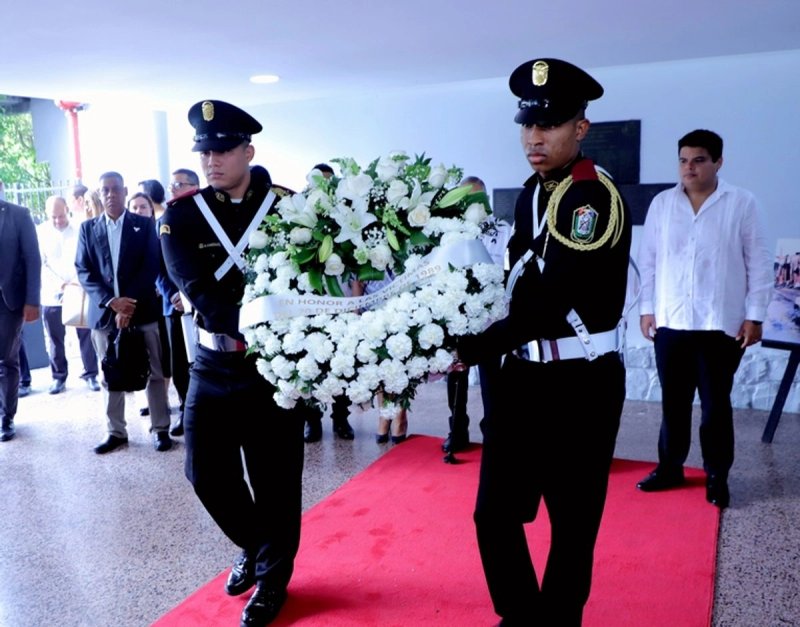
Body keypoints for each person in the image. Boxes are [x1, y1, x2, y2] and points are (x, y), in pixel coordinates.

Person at [456, 58, 631, 625]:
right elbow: (516, 289)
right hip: (523, 378)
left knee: (572, 527)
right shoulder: (533, 192)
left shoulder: (590, 198)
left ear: (580, 127)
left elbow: (549, 301)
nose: (535, 136)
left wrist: (467, 348)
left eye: (550, 124)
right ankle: (522, 617)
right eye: (528, 124)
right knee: (494, 514)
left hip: (581, 382)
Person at [160, 100, 307, 627]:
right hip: (213, 364)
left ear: (248, 150)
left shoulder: (292, 209)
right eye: (204, 150)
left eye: (222, 149)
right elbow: (196, 290)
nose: (211, 160)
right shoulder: (180, 216)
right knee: (204, 471)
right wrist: (257, 320)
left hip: (275, 369)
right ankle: (256, 545)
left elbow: (311, 284)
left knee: (276, 479)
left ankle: (272, 580)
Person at [635, 129, 773, 509]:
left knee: (715, 405)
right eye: (683, 160)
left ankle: (717, 475)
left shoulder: (742, 203)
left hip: (720, 325)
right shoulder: (662, 204)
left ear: (718, 162)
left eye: (698, 160)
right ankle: (669, 468)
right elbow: (649, 261)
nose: (689, 168)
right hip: (671, 322)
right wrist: (647, 308)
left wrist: (755, 316)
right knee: (673, 404)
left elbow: (759, 263)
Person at [75, 171, 173, 454]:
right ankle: (116, 431)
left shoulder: (143, 225)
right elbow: (84, 270)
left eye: (115, 189)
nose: (110, 195)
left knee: (154, 370)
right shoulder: (88, 228)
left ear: (124, 190)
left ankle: (161, 428)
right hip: (104, 316)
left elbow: (151, 266)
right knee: (110, 373)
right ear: (99, 193)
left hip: (142, 312)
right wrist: (111, 302)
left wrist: (128, 305)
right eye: (104, 190)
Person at [442, 175, 512, 456]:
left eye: (478, 197)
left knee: (492, 382)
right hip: (458, 318)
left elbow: (509, 269)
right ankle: (457, 431)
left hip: (491, 320)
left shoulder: (502, 229)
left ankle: (493, 433)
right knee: (456, 377)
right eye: (466, 197)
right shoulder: (450, 231)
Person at [301, 162, 356, 443]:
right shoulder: (299, 214)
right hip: (310, 300)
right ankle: (312, 421)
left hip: (341, 298)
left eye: (328, 182)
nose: (323, 186)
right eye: (317, 181)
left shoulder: (346, 212)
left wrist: (356, 301)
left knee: (342, 361)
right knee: (310, 360)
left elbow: (359, 260)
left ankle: (341, 419)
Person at [37, 195, 100, 394]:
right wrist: (60, 285)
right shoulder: (41, 232)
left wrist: (74, 282)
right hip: (52, 293)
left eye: (61, 216)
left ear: (67, 209)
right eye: (54, 217)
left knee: (85, 334)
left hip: (78, 290)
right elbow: (41, 263)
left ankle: (91, 374)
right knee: (55, 339)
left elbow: (85, 258)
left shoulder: (80, 228)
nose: (58, 221)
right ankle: (58, 377)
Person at [0, 197, 41, 441]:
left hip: (9, 299)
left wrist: (32, 300)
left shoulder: (18, 214)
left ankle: (7, 416)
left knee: (6, 358)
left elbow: (32, 259)